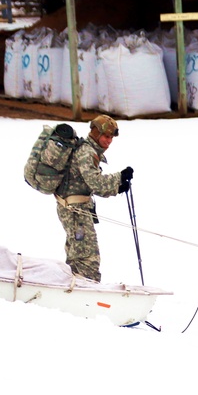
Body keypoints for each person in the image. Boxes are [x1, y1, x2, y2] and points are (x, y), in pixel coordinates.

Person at [54, 114, 132, 282]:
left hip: (76, 209)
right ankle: (87, 290)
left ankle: (73, 284)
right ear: (96, 134)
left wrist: (118, 184)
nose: (109, 141)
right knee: (88, 256)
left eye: (111, 137)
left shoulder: (89, 151)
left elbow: (90, 184)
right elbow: (96, 183)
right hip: (75, 211)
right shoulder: (86, 152)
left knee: (77, 253)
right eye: (106, 136)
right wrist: (119, 178)